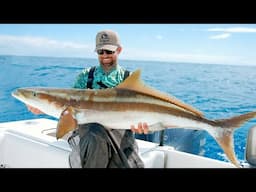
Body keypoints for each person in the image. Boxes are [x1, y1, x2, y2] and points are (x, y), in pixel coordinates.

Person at [27, 29, 149, 168]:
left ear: (119, 50)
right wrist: (42, 108)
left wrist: (142, 126)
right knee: (94, 137)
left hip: (120, 133)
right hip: (87, 132)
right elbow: (69, 106)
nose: (104, 55)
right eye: (100, 51)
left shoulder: (129, 79)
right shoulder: (85, 76)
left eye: (109, 51)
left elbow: (142, 110)